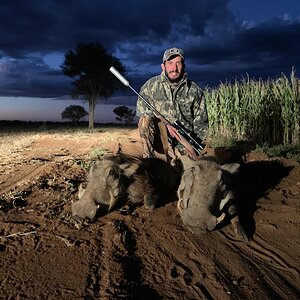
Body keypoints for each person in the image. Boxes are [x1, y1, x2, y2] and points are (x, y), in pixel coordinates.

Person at [136, 47, 208, 162]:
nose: (174, 68)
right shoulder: (149, 87)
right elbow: (143, 114)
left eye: (178, 63)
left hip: (185, 145)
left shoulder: (195, 90)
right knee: (145, 119)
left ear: (183, 66)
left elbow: (202, 125)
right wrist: (164, 125)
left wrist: (192, 147)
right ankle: (149, 162)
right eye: (170, 63)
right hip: (160, 145)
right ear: (163, 66)